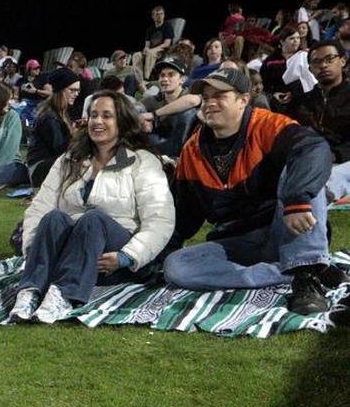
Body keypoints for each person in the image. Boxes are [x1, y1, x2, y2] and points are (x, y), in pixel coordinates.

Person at [163, 67, 347, 313]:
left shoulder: (267, 124)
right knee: (175, 266)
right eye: (205, 98)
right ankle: (287, 273)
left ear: (243, 100)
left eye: (219, 96)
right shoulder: (192, 149)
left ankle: (306, 276)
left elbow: (314, 150)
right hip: (237, 241)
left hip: (285, 229)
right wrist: (161, 251)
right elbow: (183, 212)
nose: (209, 103)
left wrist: (296, 199)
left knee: (298, 169)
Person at [10, 91, 174, 322]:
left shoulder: (142, 161)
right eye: (94, 115)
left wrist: (127, 256)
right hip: (70, 252)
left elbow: (160, 219)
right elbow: (40, 206)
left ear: (122, 122)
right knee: (53, 217)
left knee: (93, 219)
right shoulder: (69, 159)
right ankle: (30, 290)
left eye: (107, 116)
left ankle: (64, 295)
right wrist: (32, 248)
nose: (98, 121)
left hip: (113, 257)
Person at [288, 40, 350, 200]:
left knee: (337, 174)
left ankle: (321, 195)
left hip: (343, 161)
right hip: (311, 160)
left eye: (330, 59)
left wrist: (336, 154)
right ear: (310, 69)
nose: (323, 65)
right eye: (317, 62)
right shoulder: (301, 102)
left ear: (342, 61)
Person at [27, 68, 80, 186]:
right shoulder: (49, 116)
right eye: (72, 90)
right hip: (39, 169)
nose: (76, 94)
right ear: (60, 90)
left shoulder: (61, 111)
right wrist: (75, 134)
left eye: (77, 91)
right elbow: (60, 149)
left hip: (49, 164)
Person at [141, 57, 201, 157]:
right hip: (160, 144)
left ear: (182, 80)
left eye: (171, 75)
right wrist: (142, 120)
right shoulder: (154, 99)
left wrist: (153, 114)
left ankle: (178, 159)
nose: (165, 79)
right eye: (162, 75)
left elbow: (192, 101)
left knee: (188, 113)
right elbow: (130, 108)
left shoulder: (190, 93)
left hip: (186, 148)